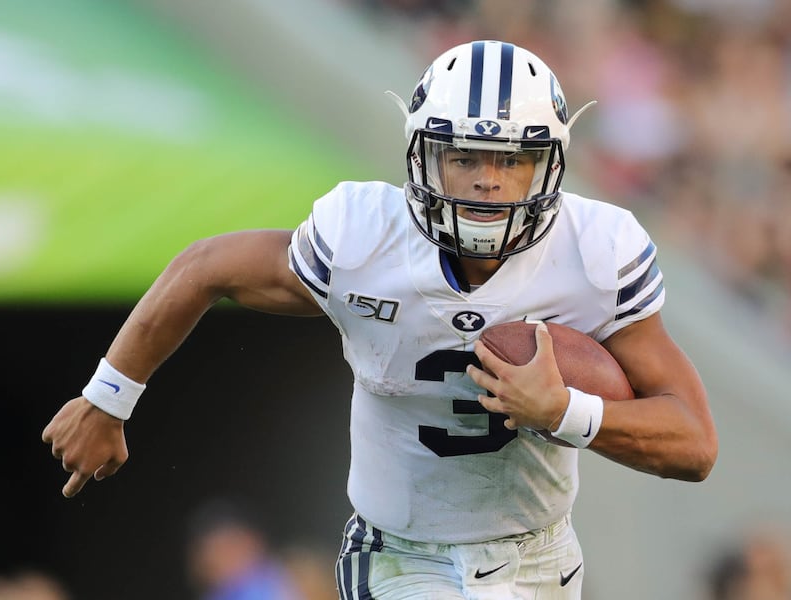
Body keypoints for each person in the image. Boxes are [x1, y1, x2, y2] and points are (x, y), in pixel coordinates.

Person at [42, 40, 718, 599]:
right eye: (464, 157)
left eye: (510, 160)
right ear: (424, 156)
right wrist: (109, 395)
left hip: (542, 559)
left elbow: (694, 445)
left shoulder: (595, 254)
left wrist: (562, 408)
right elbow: (208, 265)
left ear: (547, 166)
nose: (488, 180)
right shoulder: (365, 240)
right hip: (402, 557)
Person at [185, 498, 303, 600]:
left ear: (255, 540)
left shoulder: (291, 575)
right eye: (214, 550)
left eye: (231, 543)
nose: (225, 555)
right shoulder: (217, 595)